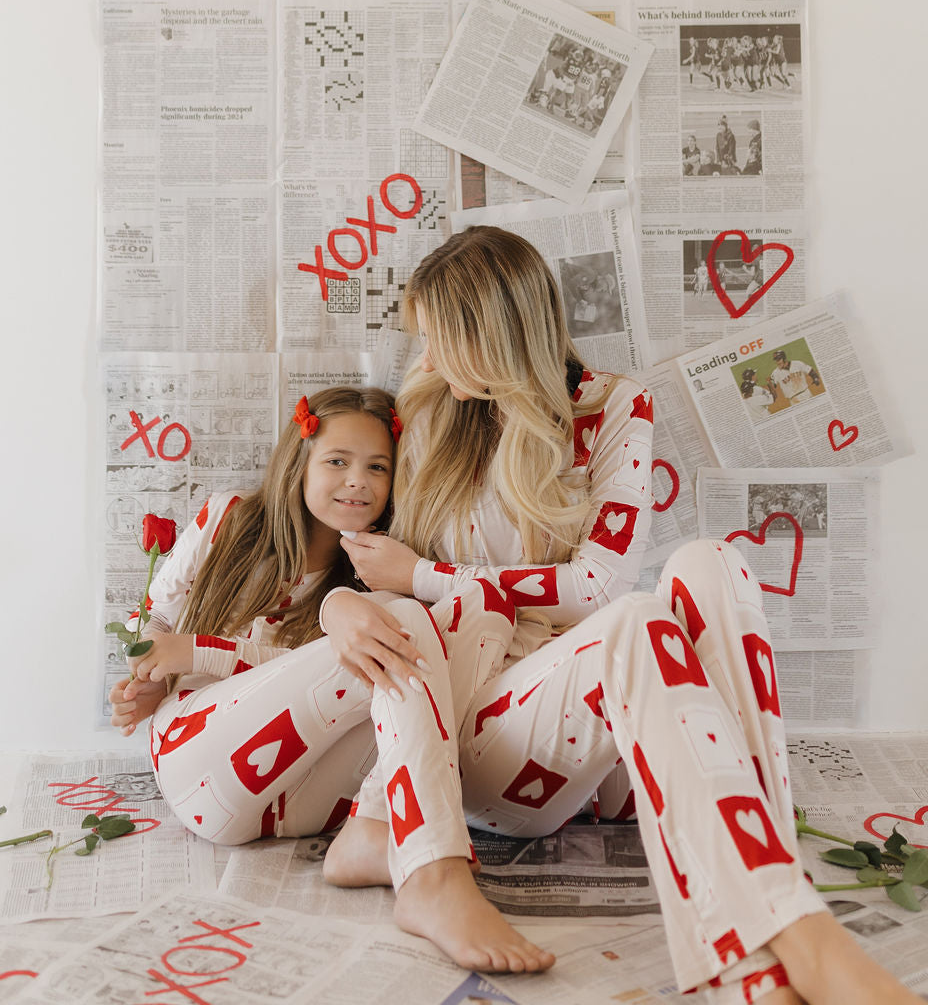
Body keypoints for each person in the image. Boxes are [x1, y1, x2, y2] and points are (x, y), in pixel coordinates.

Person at [322, 228, 918, 1005]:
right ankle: (800, 941)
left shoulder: (612, 404)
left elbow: (598, 583)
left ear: (494, 335)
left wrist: (432, 573)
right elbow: (362, 563)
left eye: (441, 336)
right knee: (637, 622)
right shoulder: (427, 415)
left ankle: (762, 949)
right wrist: (346, 600)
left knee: (713, 565)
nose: (426, 356)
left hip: (582, 725)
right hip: (477, 732)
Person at [110, 384, 552, 975]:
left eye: (378, 467)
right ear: (301, 461)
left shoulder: (382, 566)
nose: (358, 482)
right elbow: (156, 624)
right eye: (337, 462)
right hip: (204, 768)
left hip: (309, 801)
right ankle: (427, 865)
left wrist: (341, 600)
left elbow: (326, 682)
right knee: (396, 626)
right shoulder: (229, 519)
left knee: (482, 604)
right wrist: (150, 674)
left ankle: (375, 828)